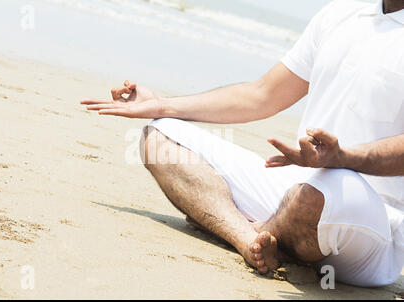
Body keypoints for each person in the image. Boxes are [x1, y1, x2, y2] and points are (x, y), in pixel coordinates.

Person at [81, 0, 404, 287]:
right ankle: (248, 239)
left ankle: (247, 225)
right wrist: (163, 105)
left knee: (321, 191)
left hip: (374, 221)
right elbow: (261, 95)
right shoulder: (341, 12)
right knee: (161, 135)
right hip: (296, 190)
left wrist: (342, 157)